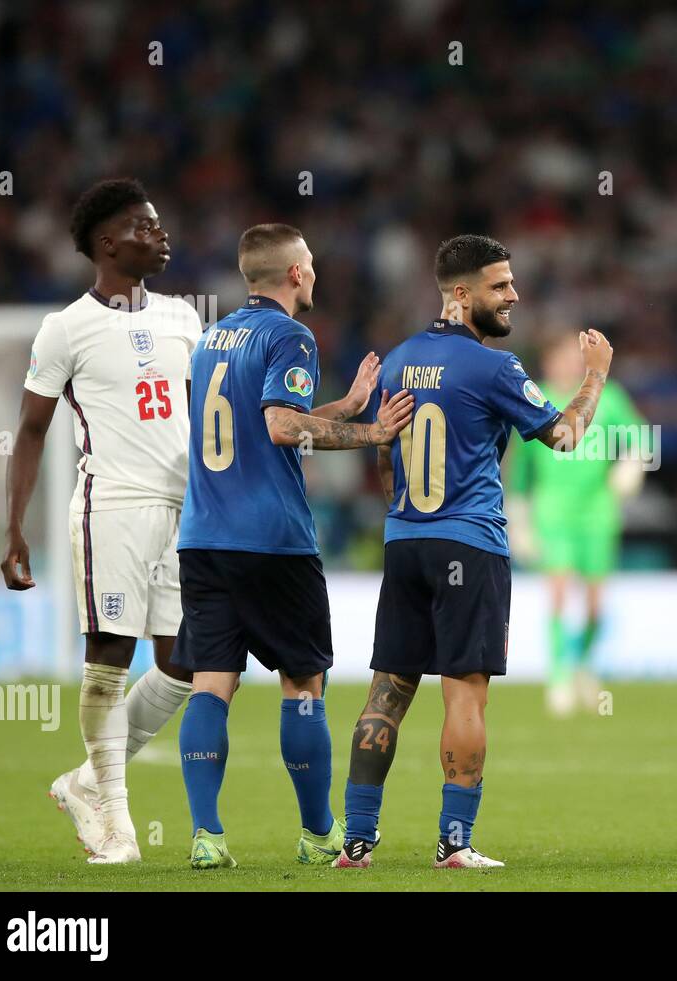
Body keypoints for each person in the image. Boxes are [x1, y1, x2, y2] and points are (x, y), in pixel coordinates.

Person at [333, 234, 614, 869]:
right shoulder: (495, 368)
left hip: (405, 540)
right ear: (461, 295)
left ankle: (356, 841)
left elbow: (383, 448)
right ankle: (454, 844)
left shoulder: (402, 360)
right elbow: (565, 435)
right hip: (471, 545)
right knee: (465, 693)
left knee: (387, 692)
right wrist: (594, 374)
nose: (513, 294)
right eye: (500, 285)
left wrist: (404, 514)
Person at [172, 223, 414, 869]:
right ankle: (317, 832)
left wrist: (345, 402)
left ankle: (206, 835)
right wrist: (370, 431)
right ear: (295, 274)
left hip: (203, 537)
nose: (315, 272)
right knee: (303, 682)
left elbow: (257, 423)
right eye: (310, 262)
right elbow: (281, 428)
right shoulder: (291, 335)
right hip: (271, 540)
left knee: (211, 684)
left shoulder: (211, 339)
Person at [2, 178, 202, 864]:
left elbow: (202, 417)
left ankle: (85, 782)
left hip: (183, 509)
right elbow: (30, 432)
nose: (160, 233)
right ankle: (116, 822)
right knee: (110, 656)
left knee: (185, 662)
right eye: (145, 226)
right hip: (111, 505)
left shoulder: (184, 317)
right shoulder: (65, 327)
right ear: (108, 243)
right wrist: (15, 528)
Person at [506, 332, 647, 715]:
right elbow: (521, 466)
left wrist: (632, 466)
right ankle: (558, 678)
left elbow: (641, 438)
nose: (569, 364)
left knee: (596, 607)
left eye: (575, 357)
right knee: (558, 591)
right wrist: (518, 516)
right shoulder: (537, 398)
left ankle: (582, 664)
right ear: (549, 361)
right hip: (552, 511)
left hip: (598, 510)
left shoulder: (610, 397)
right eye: (562, 357)